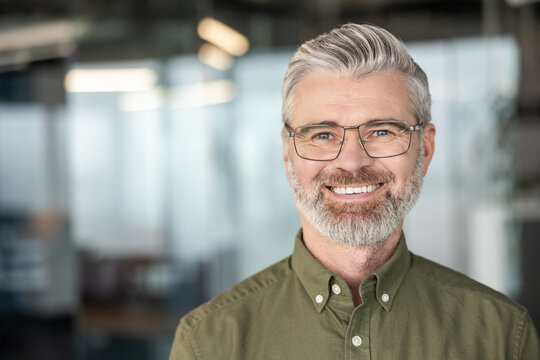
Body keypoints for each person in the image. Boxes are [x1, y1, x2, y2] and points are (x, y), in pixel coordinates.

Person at [169, 23, 540, 359]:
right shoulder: (210, 343)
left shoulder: (501, 335)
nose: (351, 162)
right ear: (287, 154)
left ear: (424, 150)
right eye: (323, 135)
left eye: (381, 132)